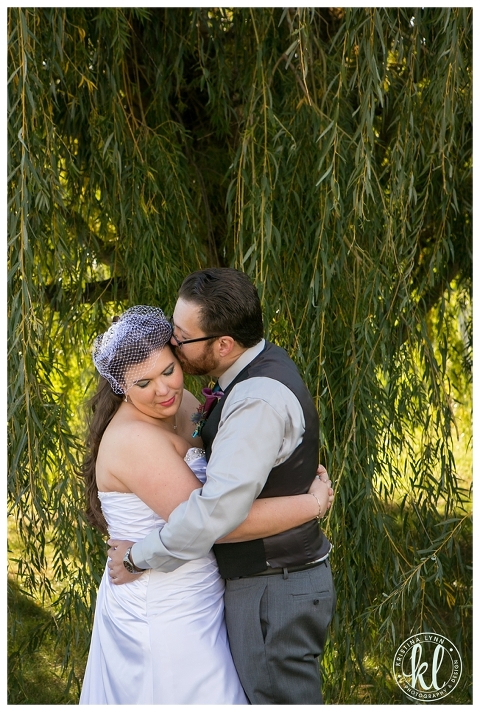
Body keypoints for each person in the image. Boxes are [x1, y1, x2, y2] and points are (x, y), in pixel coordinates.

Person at [79, 305, 332, 705]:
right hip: (165, 604)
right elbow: (219, 523)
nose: (163, 390)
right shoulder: (134, 441)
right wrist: (311, 504)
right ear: (120, 388)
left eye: (168, 371)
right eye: (143, 383)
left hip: (202, 587)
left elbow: (226, 476)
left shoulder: (180, 404)